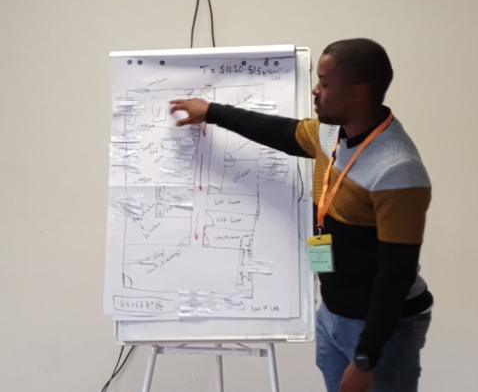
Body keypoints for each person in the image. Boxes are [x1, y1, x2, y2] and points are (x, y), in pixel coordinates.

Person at [169, 39, 433, 392]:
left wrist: (367, 357)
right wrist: (212, 111)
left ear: (359, 92)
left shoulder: (398, 169)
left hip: (383, 329)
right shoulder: (332, 134)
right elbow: (279, 131)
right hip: (334, 314)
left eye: (324, 84)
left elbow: (395, 273)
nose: (315, 91)